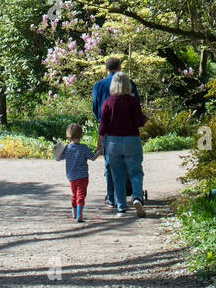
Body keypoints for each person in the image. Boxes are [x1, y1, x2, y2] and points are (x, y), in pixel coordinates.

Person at [92, 57, 140, 207]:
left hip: (108, 130)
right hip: (129, 130)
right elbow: (137, 107)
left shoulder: (98, 85)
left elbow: (95, 107)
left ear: (106, 69)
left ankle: (112, 197)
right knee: (131, 164)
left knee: (110, 164)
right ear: (120, 67)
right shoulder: (129, 83)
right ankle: (133, 194)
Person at [98, 72, 147, 217]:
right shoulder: (133, 101)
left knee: (117, 174)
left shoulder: (107, 102)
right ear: (128, 85)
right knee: (135, 171)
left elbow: (102, 126)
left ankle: (121, 207)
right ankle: (137, 197)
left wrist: (99, 144)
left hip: (113, 141)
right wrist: (144, 119)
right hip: (131, 139)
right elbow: (139, 122)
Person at [52, 122, 97, 224]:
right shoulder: (84, 147)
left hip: (71, 176)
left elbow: (58, 158)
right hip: (83, 176)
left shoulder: (67, 148)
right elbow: (93, 158)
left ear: (69, 135)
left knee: (74, 194)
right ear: (81, 135)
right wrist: (99, 151)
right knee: (81, 194)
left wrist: (57, 149)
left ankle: (74, 213)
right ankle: (79, 214)